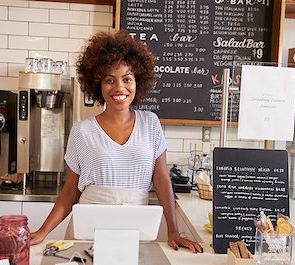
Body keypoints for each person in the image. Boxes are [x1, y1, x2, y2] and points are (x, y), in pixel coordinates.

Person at [30, 30, 203, 253]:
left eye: (127, 79)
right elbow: (71, 191)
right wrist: (43, 231)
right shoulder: (82, 131)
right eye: (109, 80)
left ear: (138, 82)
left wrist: (173, 231)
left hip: (135, 228)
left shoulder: (150, 123)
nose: (119, 87)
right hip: (88, 229)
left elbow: (161, 180)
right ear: (98, 85)